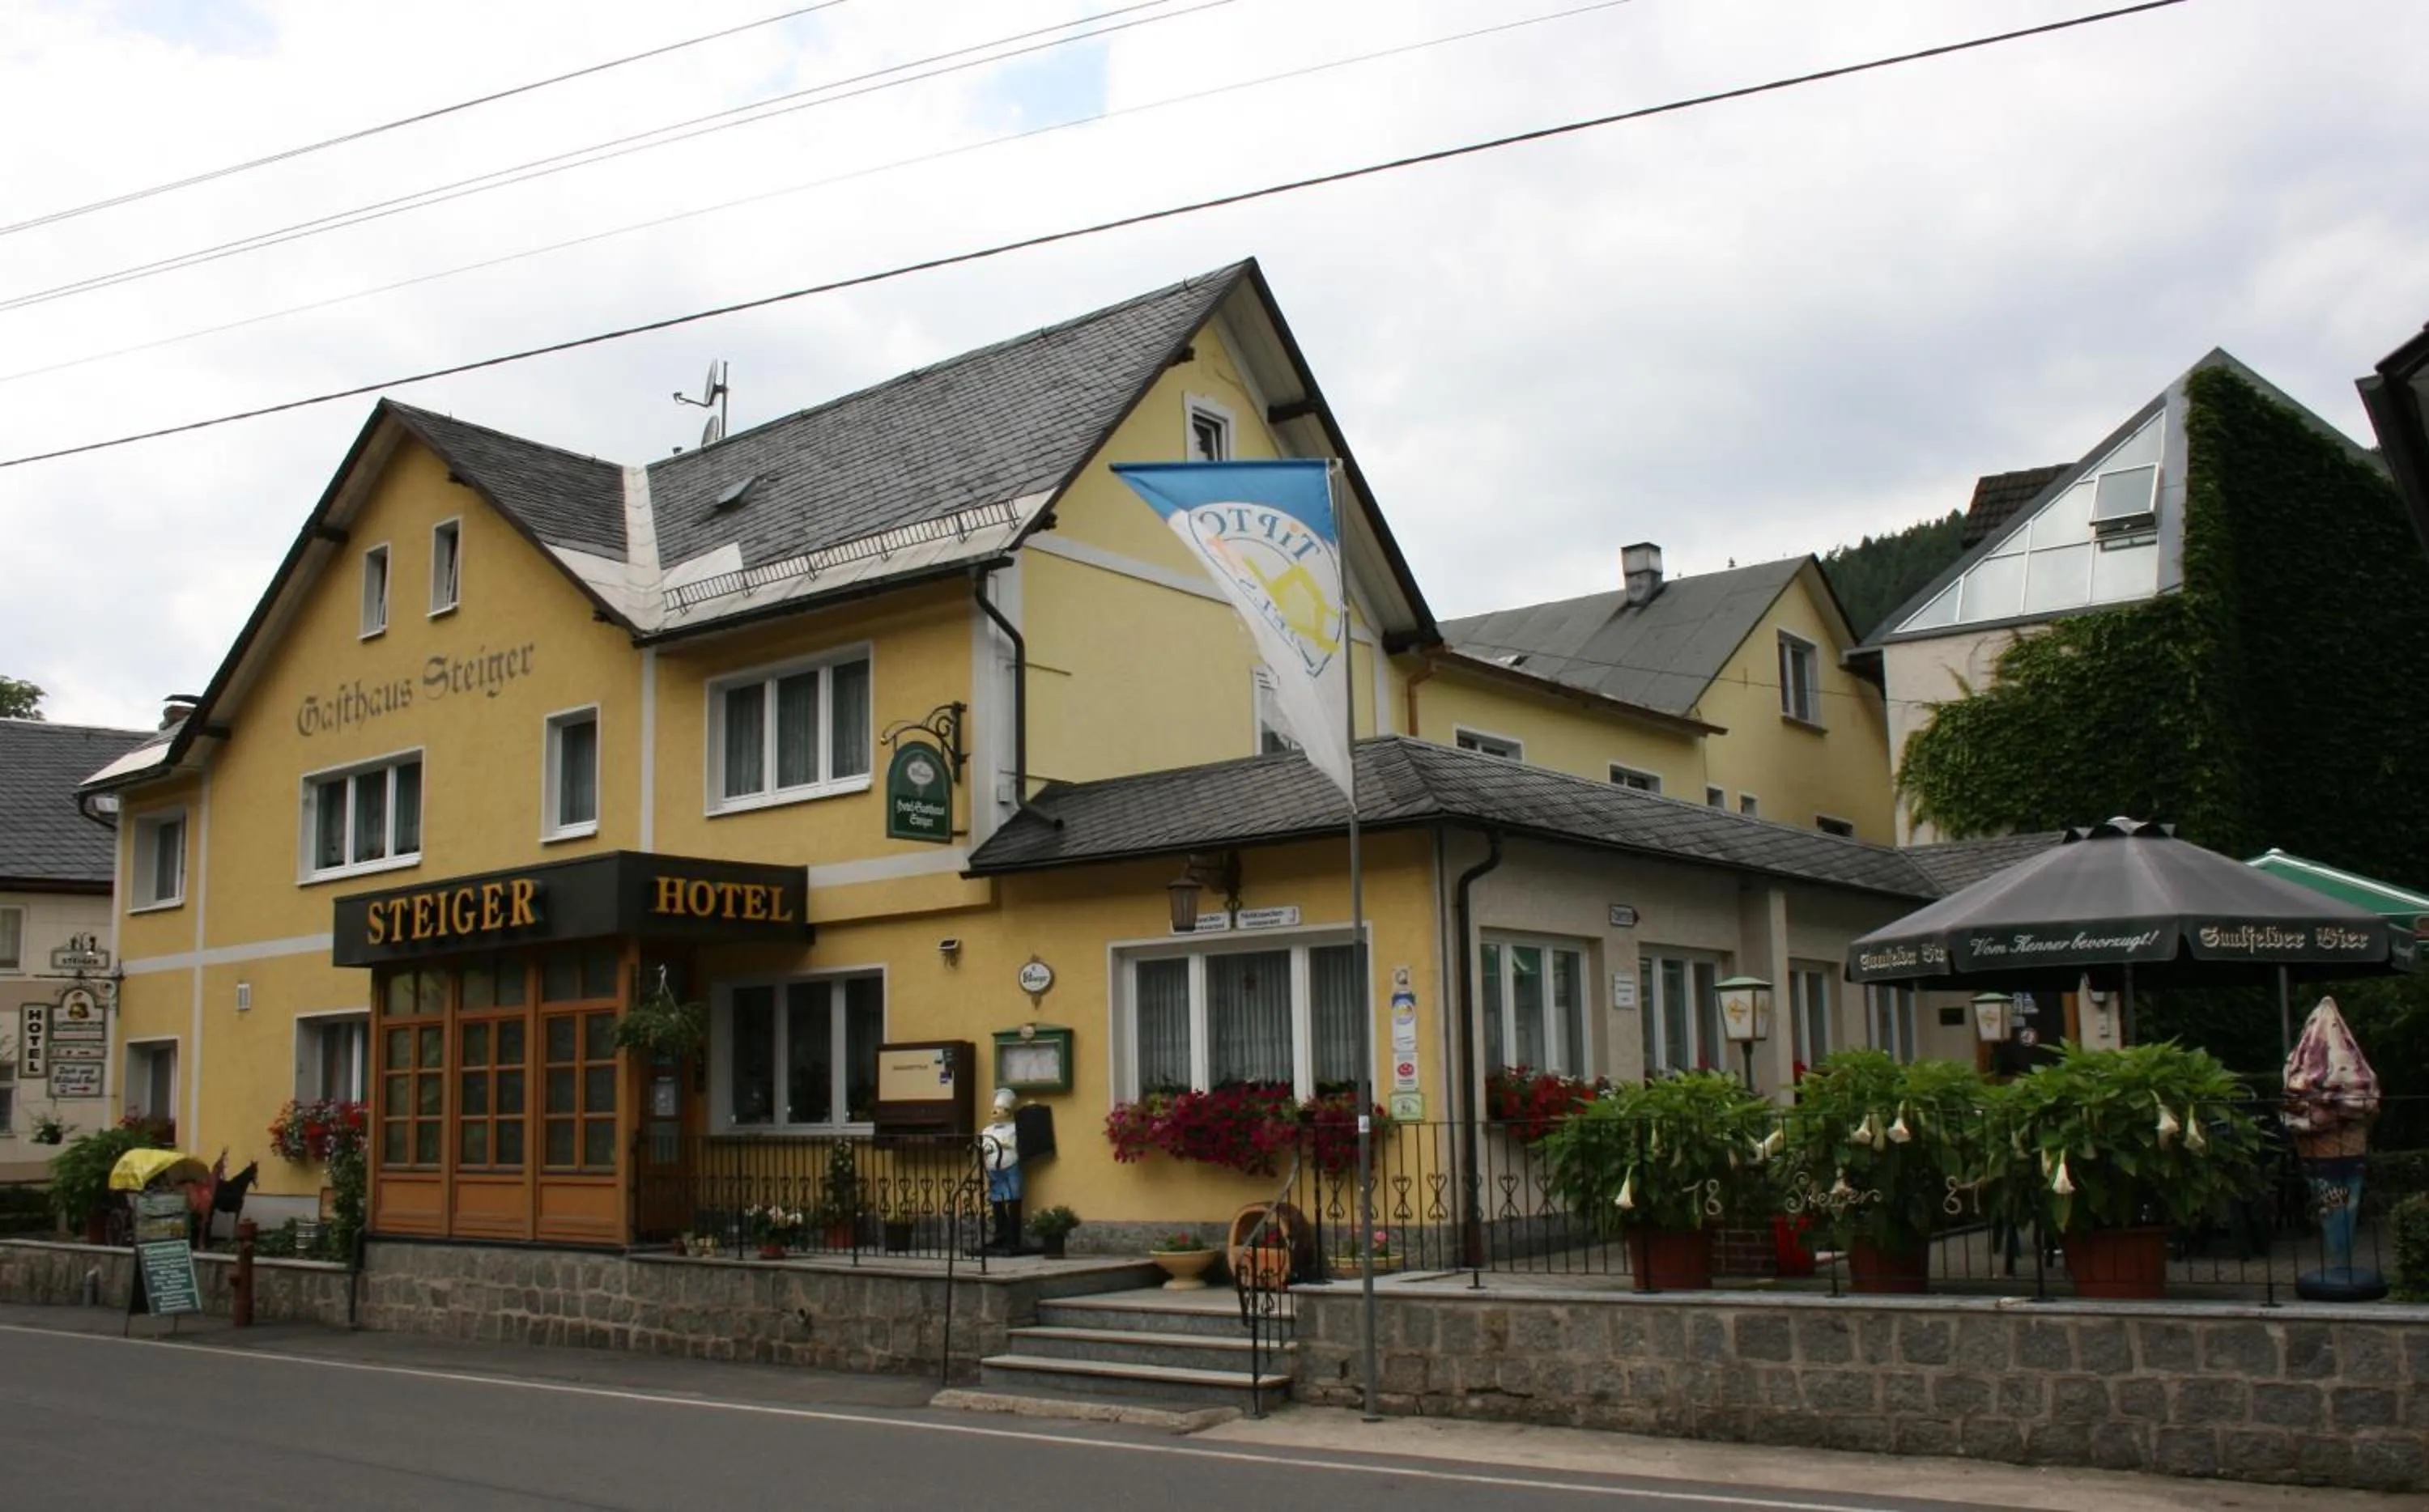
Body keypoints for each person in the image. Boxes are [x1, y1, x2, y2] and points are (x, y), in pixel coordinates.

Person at [979, 1088, 1023, 1255]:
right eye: (995, 1109)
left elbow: (1015, 1144)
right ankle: (1000, 1235)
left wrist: (1005, 1144)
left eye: (1001, 1109)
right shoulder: (987, 1130)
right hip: (994, 1169)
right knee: (997, 1202)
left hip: (1010, 1166)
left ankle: (1013, 1237)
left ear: (1008, 1111)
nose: (996, 1112)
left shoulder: (1014, 1128)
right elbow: (984, 1144)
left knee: (1013, 1200)